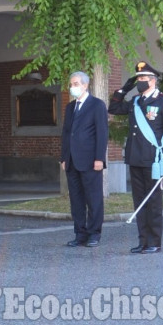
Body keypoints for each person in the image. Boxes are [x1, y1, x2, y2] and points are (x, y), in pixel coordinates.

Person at [108, 60, 163, 254]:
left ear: (153, 80)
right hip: (135, 157)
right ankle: (143, 241)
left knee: (153, 202)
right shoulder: (135, 101)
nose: (140, 81)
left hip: (154, 159)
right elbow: (113, 109)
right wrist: (124, 88)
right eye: (137, 78)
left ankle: (154, 242)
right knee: (139, 201)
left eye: (143, 78)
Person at [60, 70, 108, 248]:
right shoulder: (70, 107)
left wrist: (99, 158)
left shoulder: (97, 105)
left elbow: (102, 134)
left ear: (85, 85)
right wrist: (64, 157)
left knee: (93, 198)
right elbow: (66, 133)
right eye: (71, 84)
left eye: (76, 84)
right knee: (76, 199)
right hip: (72, 160)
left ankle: (94, 233)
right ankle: (80, 233)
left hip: (90, 160)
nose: (72, 87)